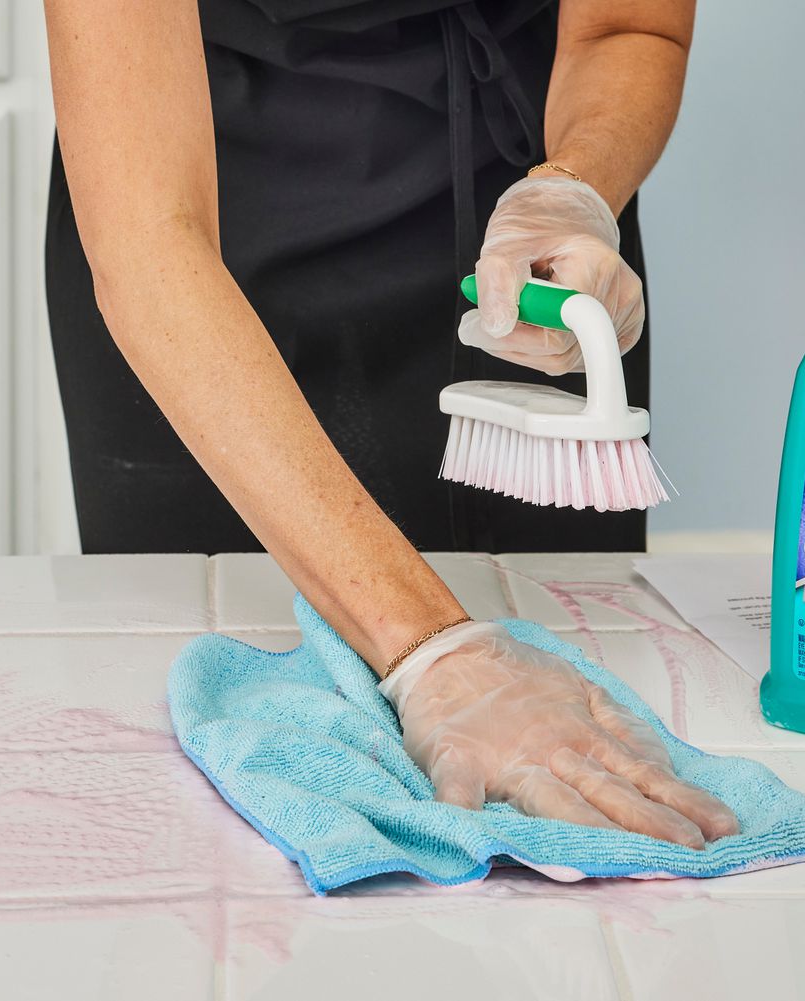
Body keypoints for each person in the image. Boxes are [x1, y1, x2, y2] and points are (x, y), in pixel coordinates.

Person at [43, 0, 739, 846]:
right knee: (206, 809)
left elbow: (627, 26)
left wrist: (573, 187)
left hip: (514, 231)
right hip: (208, 244)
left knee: (568, 765)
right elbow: (151, 241)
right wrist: (439, 651)